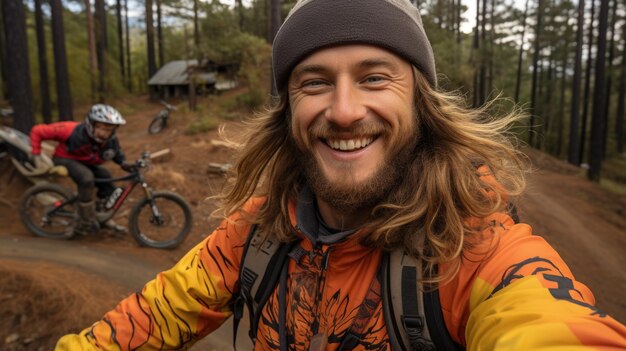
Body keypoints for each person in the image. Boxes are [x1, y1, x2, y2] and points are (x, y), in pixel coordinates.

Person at [56, 0, 626, 350]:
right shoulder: (256, 233)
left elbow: (548, 326)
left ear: (421, 102)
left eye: (375, 77)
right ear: (287, 110)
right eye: (314, 81)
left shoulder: (479, 253)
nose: (346, 110)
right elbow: (156, 313)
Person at [30, 104, 132, 235]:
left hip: (85, 162)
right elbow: (37, 131)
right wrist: (36, 154)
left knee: (106, 178)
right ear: (91, 124)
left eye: (109, 129)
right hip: (64, 158)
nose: (105, 133)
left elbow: (116, 154)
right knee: (86, 177)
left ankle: (101, 217)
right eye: (101, 128)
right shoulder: (70, 130)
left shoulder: (111, 140)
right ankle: (85, 220)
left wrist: (125, 164)